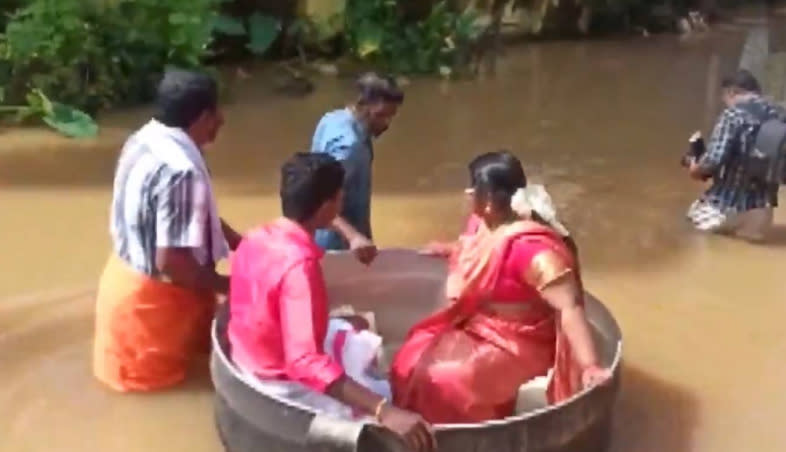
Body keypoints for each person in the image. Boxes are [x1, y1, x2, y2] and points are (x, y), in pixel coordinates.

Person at [228, 153, 435, 452]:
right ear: (327, 206)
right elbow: (304, 362)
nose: (341, 205)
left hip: (245, 359)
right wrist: (383, 411)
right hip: (279, 382)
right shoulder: (300, 266)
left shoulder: (256, 236)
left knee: (353, 326)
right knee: (389, 397)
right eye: (339, 199)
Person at [390, 151, 610, 424]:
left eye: (473, 188)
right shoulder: (481, 224)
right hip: (478, 323)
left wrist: (589, 365)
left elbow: (570, 306)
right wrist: (448, 250)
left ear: (490, 200)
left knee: (445, 378)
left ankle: (472, 428)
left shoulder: (533, 251)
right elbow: (474, 250)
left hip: (521, 339)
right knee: (411, 357)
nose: (467, 193)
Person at [93, 69, 243, 392]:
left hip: (130, 279)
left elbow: (187, 215)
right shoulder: (182, 171)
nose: (222, 120)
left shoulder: (145, 139)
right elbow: (172, 261)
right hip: (151, 309)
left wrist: (240, 244)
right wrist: (232, 286)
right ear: (204, 117)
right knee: (158, 402)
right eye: (217, 112)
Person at [311, 72, 404, 257]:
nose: (386, 123)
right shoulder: (350, 148)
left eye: (391, 116)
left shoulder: (332, 119)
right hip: (337, 248)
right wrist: (353, 237)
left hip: (320, 238)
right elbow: (317, 200)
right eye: (381, 115)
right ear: (362, 105)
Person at [686, 69, 786, 242]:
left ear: (731, 92)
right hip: (762, 213)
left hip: (724, 209)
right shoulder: (779, 114)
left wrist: (695, 168)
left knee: (685, 229)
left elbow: (713, 160)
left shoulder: (732, 115)